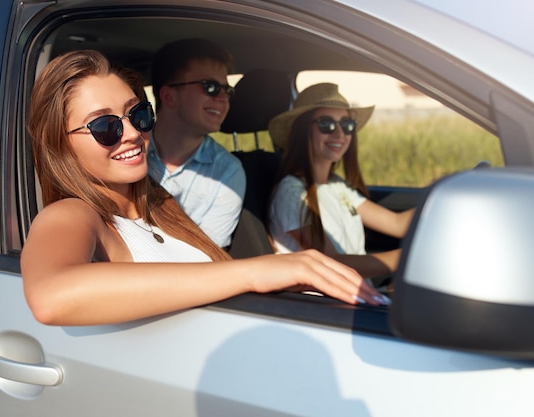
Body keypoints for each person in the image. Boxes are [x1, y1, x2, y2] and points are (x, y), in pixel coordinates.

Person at [20, 50, 390, 326]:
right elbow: (51, 296)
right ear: (61, 143)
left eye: (137, 115)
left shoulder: (162, 204)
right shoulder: (72, 214)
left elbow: (207, 282)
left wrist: (284, 281)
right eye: (104, 126)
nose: (132, 132)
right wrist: (254, 272)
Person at [268, 83, 415, 279]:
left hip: (357, 293)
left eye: (347, 125)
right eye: (326, 124)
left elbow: (396, 224)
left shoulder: (337, 185)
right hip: (322, 305)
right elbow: (330, 262)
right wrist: (409, 257)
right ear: (302, 131)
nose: (339, 133)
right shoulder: (292, 192)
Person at [148, 38, 246, 249]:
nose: (223, 98)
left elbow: (206, 256)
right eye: (210, 87)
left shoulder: (228, 172)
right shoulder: (125, 152)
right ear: (169, 96)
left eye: (227, 90)